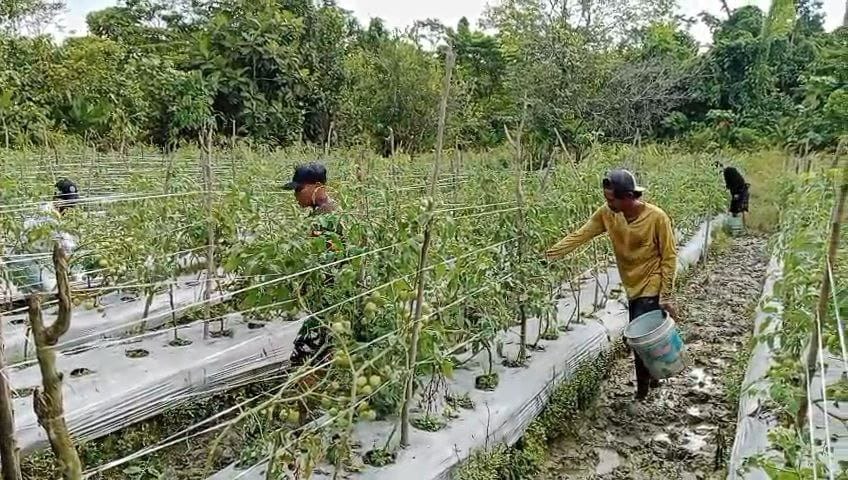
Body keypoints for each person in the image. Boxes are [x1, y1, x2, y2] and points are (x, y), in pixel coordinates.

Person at [545, 169, 678, 401]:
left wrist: (666, 294)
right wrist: (549, 255)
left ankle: (642, 394)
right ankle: (655, 377)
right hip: (632, 285)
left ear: (629, 196)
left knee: (638, 339)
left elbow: (669, 256)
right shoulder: (608, 214)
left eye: (612, 199)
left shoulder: (657, 218)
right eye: (607, 199)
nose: (609, 203)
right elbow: (581, 235)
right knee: (647, 338)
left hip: (651, 283)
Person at [283, 162, 342, 369]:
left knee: (306, 349)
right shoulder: (323, 212)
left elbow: (332, 258)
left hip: (330, 295)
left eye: (299, 189)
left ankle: (309, 378)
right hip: (326, 295)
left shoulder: (328, 216)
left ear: (317, 186)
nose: (296, 195)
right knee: (322, 343)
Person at [9, 179, 80, 295]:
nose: (70, 208)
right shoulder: (48, 216)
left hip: (38, 260)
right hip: (24, 261)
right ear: (57, 199)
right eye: (67, 203)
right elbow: (65, 245)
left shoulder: (54, 212)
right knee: (48, 292)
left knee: (64, 282)